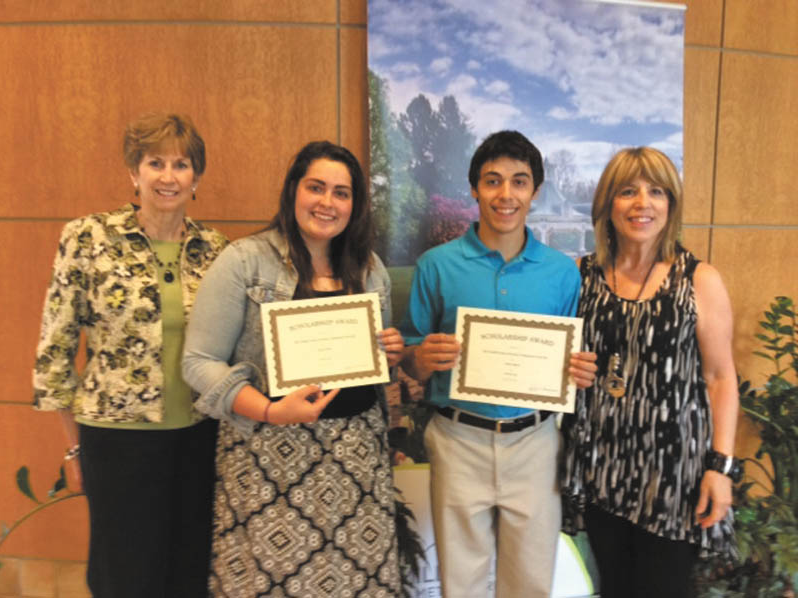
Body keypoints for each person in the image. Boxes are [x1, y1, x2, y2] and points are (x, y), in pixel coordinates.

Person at [182, 141, 403, 597]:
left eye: (342, 193)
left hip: (359, 461)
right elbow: (198, 362)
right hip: (269, 462)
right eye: (316, 187)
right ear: (293, 191)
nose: (327, 203)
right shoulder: (244, 261)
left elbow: (375, 366)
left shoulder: (369, 267)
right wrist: (268, 410)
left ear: (355, 205)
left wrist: (390, 353)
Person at [32, 113, 229, 598]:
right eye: (154, 162)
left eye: (181, 165)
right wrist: (74, 447)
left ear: (196, 178)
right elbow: (55, 351)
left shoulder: (216, 250)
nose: (168, 176)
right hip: (116, 441)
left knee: (189, 572)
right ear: (133, 172)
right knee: (125, 575)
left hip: (199, 439)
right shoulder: (88, 238)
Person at [399, 130, 597, 598]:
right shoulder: (436, 265)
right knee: (460, 581)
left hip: (535, 442)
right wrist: (420, 358)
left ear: (535, 191)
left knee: (530, 582)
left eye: (519, 182)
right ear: (473, 189)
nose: (505, 195)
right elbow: (408, 355)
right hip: (456, 439)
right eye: (492, 181)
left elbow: (566, 357)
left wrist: (577, 372)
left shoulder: (562, 272)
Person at [561, 147, 740, 598]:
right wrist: (566, 369)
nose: (643, 203)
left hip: (674, 475)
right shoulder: (579, 277)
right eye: (627, 191)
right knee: (616, 587)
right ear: (607, 205)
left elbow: (721, 379)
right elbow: (556, 363)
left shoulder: (699, 280)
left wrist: (721, 468)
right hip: (602, 469)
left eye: (656, 191)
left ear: (671, 204)